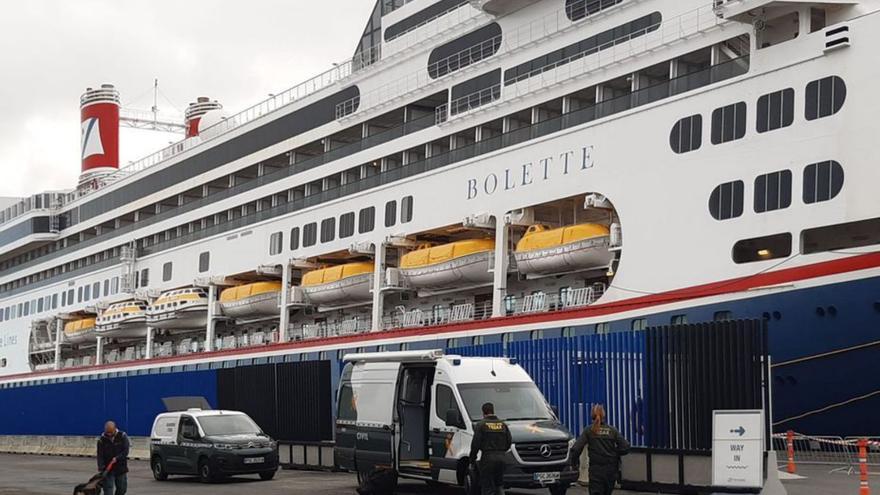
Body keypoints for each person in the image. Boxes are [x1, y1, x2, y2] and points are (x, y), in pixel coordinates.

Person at [569, 405, 630, 495]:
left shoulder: (589, 430)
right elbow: (625, 447)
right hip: (611, 470)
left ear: (592, 416)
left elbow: (576, 449)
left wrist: (574, 464)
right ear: (604, 416)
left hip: (596, 471)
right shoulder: (612, 430)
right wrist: (614, 453)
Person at [469, 402, 512, 495]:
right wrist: (502, 451)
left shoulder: (481, 425)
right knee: (499, 485)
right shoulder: (503, 424)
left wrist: (472, 459)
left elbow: (475, 444)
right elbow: (509, 441)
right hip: (502, 458)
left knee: (487, 487)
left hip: (488, 458)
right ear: (493, 411)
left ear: (483, 412)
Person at [97, 421, 130, 495]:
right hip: (108, 469)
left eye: (111, 432)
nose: (109, 435)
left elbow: (126, 451)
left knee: (122, 489)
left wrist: (117, 458)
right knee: (108, 491)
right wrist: (101, 468)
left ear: (115, 429)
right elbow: (100, 455)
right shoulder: (101, 440)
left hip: (120, 468)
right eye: (107, 432)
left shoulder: (122, 436)